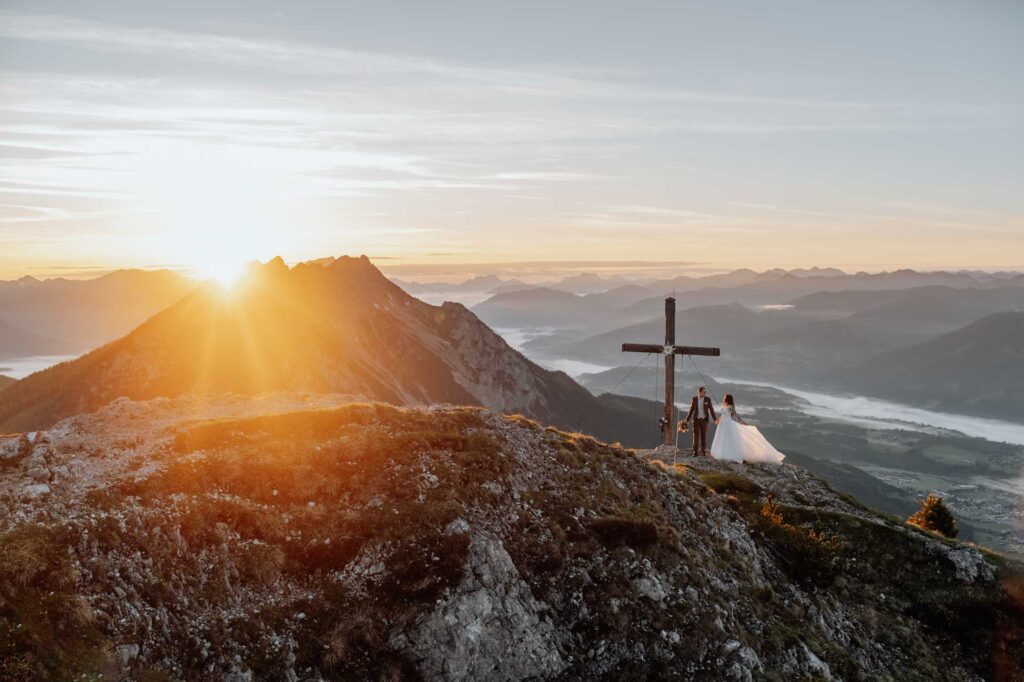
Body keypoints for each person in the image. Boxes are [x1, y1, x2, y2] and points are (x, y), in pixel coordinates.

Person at [710, 394, 785, 464]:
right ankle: (721, 452)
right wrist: (718, 421)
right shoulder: (724, 406)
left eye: (724, 397)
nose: (723, 398)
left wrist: (742, 421)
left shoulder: (730, 406)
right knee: (723, 438)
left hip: (728, 424)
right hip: (722, 424)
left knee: (729, 439)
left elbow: (735, 415)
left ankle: (728, 454)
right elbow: (722, 416)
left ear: (727, 399)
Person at [683, 386, 717, 456]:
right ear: (699, 392)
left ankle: (703, 451)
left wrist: (715, 419)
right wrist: (686, 420)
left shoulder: (708, 399)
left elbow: (711, 409)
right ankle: (695, 452)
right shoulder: (694, 399)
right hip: (696, 420)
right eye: (704, 392)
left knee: (703, 436)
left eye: (705, 392)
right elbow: (691, 410)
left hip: (704, 420)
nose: (705, 393)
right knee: (695, 436)